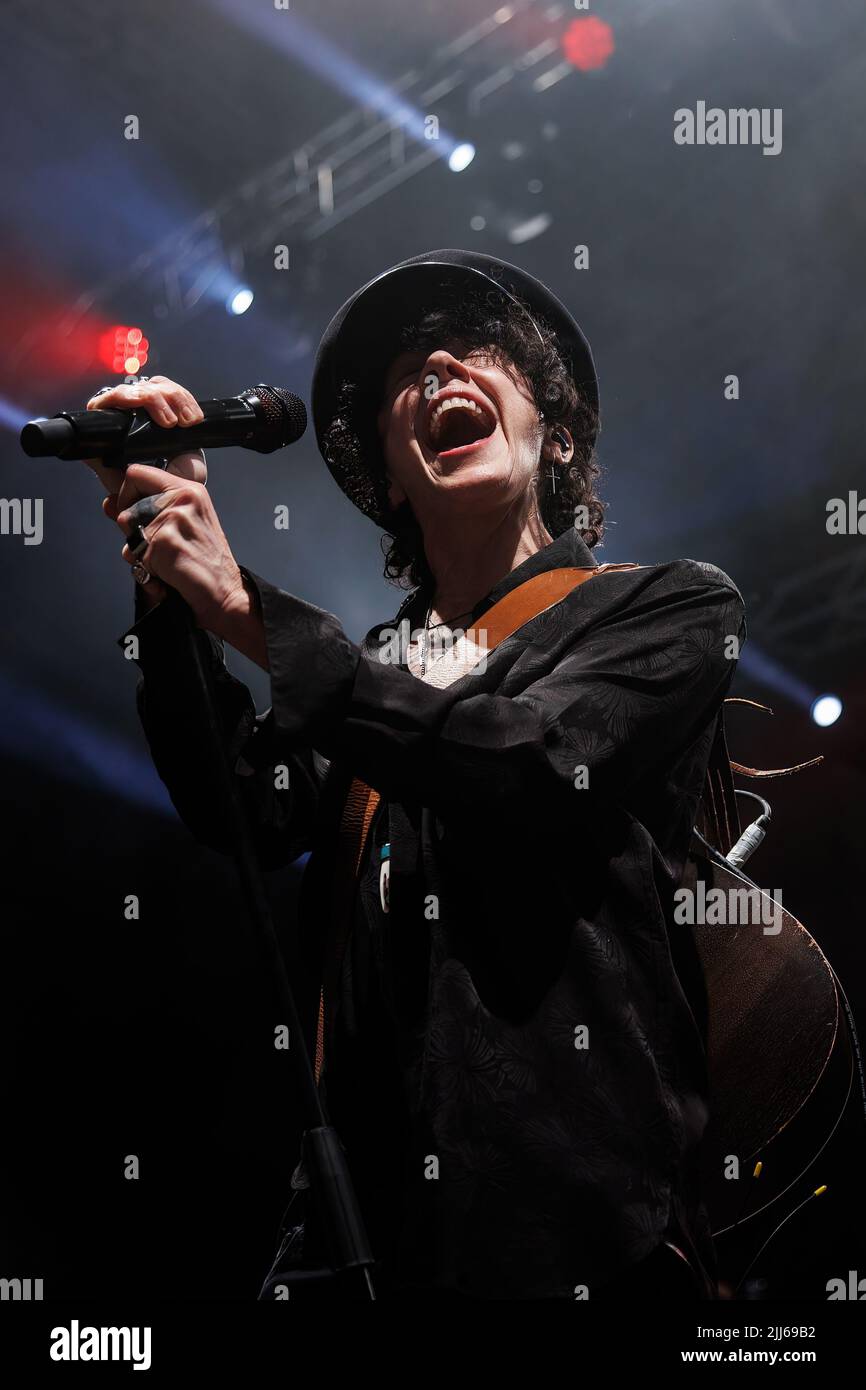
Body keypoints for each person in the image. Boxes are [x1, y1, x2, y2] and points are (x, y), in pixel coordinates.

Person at [87, 250, 746, 1301]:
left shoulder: (666, 608)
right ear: (390, 479)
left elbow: (527, 757)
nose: (437, 365)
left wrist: (243, 607)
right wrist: (168, 588)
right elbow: (244, 812)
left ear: (556, 431)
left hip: (573, 1236)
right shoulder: (370, 673)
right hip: (359, 1233)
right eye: (404, 373)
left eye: (479, 350)